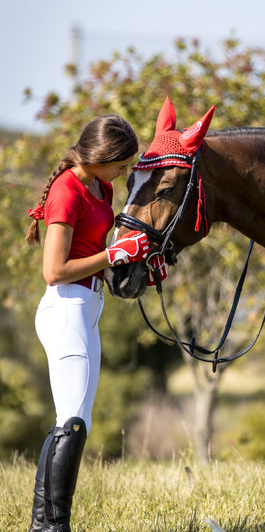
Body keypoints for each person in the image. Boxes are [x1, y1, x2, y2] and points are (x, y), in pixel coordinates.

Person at [25, 114, 150, 532]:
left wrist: (132, 253)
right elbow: (54, 270)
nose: (124, 172)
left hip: (88, 307)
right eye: (121, 163)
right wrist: (114, 254)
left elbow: (99, 241)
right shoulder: (66, 192)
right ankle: (52, 527)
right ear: (100, 156)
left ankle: (43, 525)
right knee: (73, 422)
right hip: (66, 307)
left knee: (75, 421)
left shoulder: (102, 186)